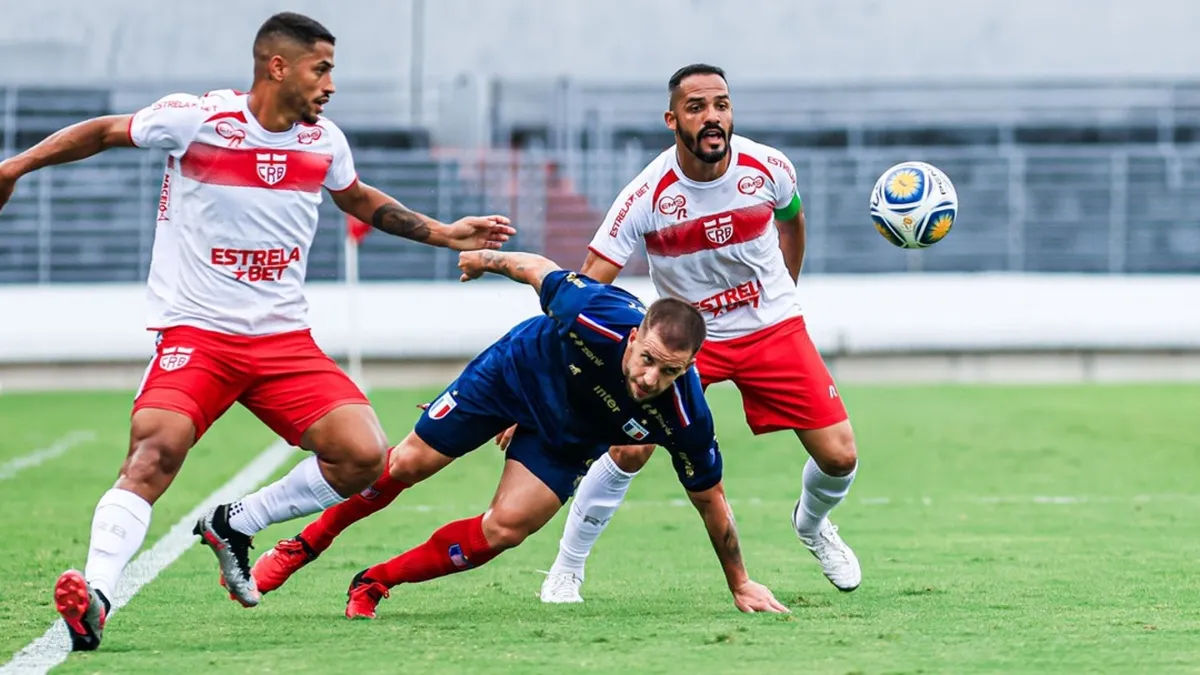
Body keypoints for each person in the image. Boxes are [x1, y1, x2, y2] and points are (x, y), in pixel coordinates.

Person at [0, 13, 513, 651]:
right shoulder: (197, 119)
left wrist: (444, 232)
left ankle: (237, 521)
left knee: (362, 456)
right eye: (321, 69)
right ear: (278, 67)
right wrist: (14, 168)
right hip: (199, 334)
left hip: (282, 341)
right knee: (154, 453)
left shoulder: (324, 141)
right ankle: (97, 595)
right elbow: (104, 131)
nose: (330, 84)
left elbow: (356, 198)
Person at [249, 249, 789, 618]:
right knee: (409, 462)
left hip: (568, 436)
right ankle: (306, 543)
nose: (651, 379)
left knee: (505, 530)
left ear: (690, 367)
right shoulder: (593, 311)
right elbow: (536, 268)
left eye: (669, 371)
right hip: (513, 376)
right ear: (633, 338)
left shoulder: (686, 414)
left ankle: (375, 581)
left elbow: (711, 500)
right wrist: (483, 259)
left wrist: (740, 582)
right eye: (647, 359)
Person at [534, 63, 861, 604]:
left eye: (721, 105)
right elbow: (585, 288)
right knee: (629, 449)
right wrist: (542, 375)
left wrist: (786, 290)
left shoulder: (770, 167)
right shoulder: (646, 195)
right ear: (672, 120)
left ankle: (811, 524)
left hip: (772, 328)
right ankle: (567, 568)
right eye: (697, 107)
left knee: (840, 457)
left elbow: (793, 220)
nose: (712, 117)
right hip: (686, 344)